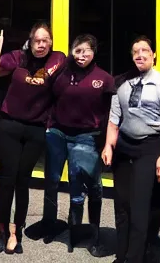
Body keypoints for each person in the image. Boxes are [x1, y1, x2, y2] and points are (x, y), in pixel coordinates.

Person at [26, 34, 115, 256]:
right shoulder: (61, 74)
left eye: (86, 50)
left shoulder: (104, 79)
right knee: (52, 181)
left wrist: (106, 142)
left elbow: (113, 113)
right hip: (57, 133)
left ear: (94, 51)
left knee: (83, 186)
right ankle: (49, 224)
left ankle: (90, 233)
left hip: (86, 137)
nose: (81, 55)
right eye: (77, 50)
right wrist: (47, 124)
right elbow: (46, 95)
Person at [0, 22, 65, 255]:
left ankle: (15, 233)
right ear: (30, 42)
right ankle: (2, 232)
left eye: (45, 41)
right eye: (37, 41)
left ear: (50, 42)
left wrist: (40, 76)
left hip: (36, 130)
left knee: (23, 181)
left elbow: (48, 73)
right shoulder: (18, 57)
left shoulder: (57, 59)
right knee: (7, 179)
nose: (41, 45)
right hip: (10, 125)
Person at [102, 36, 160, 263]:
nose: (140, 54)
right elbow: (114, 118)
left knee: (139, 207)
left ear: (153, 55)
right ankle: (121, 255)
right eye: (136, 51)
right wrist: (109, 145)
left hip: (150, 147)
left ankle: (136, 257)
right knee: (122, 205)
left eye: (145, 50)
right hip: (125, 146)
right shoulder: (123, 84)